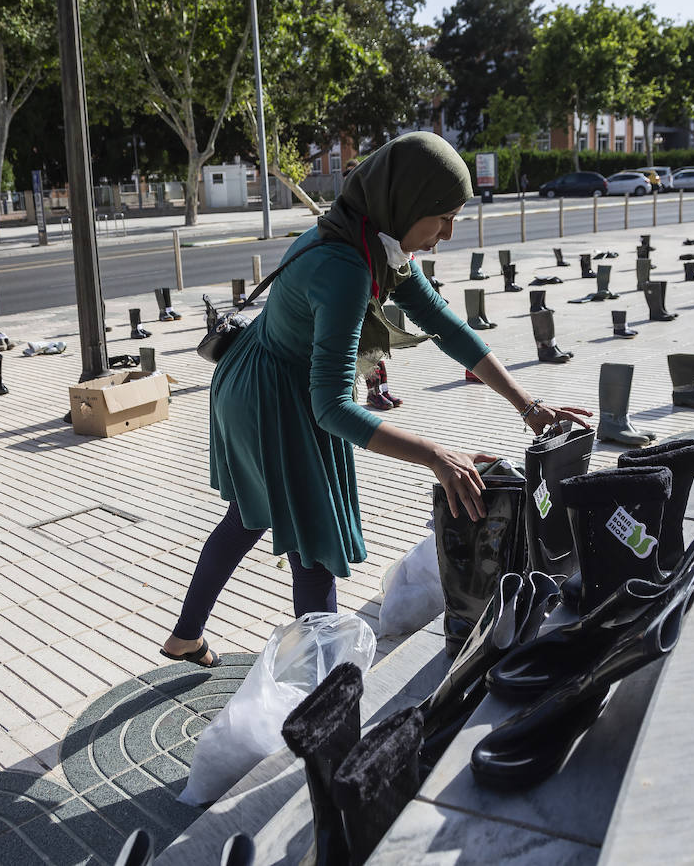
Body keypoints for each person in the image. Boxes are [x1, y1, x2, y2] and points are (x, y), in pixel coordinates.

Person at [160, 132, 591, 667]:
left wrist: (528, 405)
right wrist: (436, 456)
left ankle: (186, 637)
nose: (447, 234)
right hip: (273, 398)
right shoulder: (346, 267)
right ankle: (326, 697)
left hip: (263, 378)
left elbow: (443, 323)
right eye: (443, 217)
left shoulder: (371, 239)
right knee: (313, 540)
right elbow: (333, 407)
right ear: (407, 203)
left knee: (250, 515)